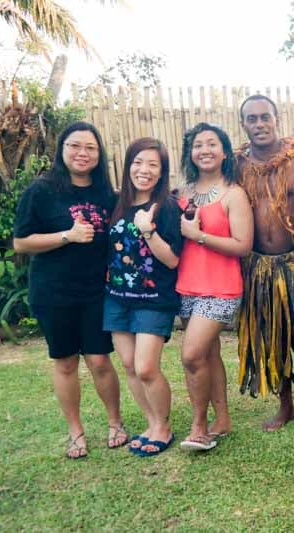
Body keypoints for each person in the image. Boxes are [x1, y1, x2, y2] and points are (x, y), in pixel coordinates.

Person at [13, 121, 126, 459]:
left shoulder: (106, 193)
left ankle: (115, 423)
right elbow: (21, 242)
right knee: (64, 362)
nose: (83, 153)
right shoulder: (42, 191)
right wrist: (67, 235)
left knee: (99, 359)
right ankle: (75, 432)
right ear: (62, 150)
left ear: (98, 153)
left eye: (90, 147)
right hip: (53, 292)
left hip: (95, 291)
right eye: (75, 146)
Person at [235, 94, 294, 432]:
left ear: (276, 119)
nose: (259, 124)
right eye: (251, 119)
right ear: (243, 124)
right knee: (269, 337)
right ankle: (285, 404)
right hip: (257, 266)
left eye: (265, 117)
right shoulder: (237, 166)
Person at [104, 138, 182, 457]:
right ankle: (150, 423)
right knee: (129, 365)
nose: (144, 170)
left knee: (146, 367)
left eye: (153, 164)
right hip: (116, 297)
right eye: (138, 162)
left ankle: (163, 427)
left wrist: (148, 231)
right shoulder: (116, 203)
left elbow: (173, 260)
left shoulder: (167, 208)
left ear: (162, 171)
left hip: (153, 298)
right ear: (128, 166)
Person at [177, 123, 253, 451]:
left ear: (224, 152)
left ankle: (199, 426)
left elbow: (243, 245)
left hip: (221, 287)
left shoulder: (233, 194)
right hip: (186, 286)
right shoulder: (182, 194)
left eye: (212, 144)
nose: (204, 150)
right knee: (208, 353)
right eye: (198, 145)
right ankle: (222, 417)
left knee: (191, 355)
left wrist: (199, 237)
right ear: (190, 153)